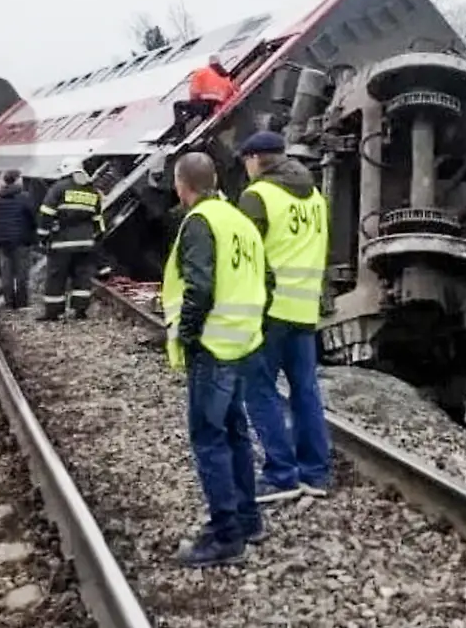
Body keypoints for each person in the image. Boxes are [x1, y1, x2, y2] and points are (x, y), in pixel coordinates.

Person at [163, 151, 267, 567]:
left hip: (212, 346)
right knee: (235, 432)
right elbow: (266, 279)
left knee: (209, 439)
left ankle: (225, 535)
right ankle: (248, 518)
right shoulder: (239, 220)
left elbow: (199, 287)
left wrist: (187, 335)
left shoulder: (200, 222)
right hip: (241, 340)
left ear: (181, 184)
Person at [235, 131, 332, 503]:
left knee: (259, 391)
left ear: (256, 158)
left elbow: (246, 257)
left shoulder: (257, 196)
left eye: (246, 161)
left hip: (268, 311)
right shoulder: (316, 198)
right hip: (304, 311)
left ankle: (280, 474)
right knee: (305, 391)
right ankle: (315, 473)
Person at [36, 158, 105, 321]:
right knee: (82, 277)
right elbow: (98, 221)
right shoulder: (92, 191)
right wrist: (94, 239)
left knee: (56, 277)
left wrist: (43, 236)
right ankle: (80, 311)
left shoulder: (59, 188)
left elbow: (46, 214)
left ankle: (53, 312)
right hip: (85, 244)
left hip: (62, 243)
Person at [0, 170, 37, 309]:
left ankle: (9, 302)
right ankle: (21, 302)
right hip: (21, 241)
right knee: (22, 273)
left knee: (7, 273)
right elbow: (33, 218)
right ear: (16, 180)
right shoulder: (24, 198)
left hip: (3, 241)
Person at [169, 55, 237, 141]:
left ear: (209, 63)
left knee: (177, 105)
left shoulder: (201, 72)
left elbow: (194, 93)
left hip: (204, 106)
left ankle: (180, 134)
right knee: (196, 110)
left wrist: (193, 103)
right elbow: (232, 92)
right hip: (215, 108)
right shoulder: (225, 77)